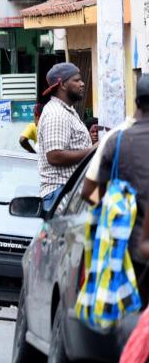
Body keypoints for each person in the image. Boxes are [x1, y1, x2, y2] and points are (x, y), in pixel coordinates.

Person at [81, 75, 149, 300]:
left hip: (129, 255)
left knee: (131, 325)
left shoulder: (116, 140)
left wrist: (115, 205)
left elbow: (88, 193)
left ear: (136, 103)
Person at [38, 62, 94, 207]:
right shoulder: (56, 114)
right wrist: (94, 150)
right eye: (76, 80)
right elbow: (54, 156)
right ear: (62, 85)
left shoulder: (67, 110)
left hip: (70, 192)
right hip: (61, 193)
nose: (82, 84)